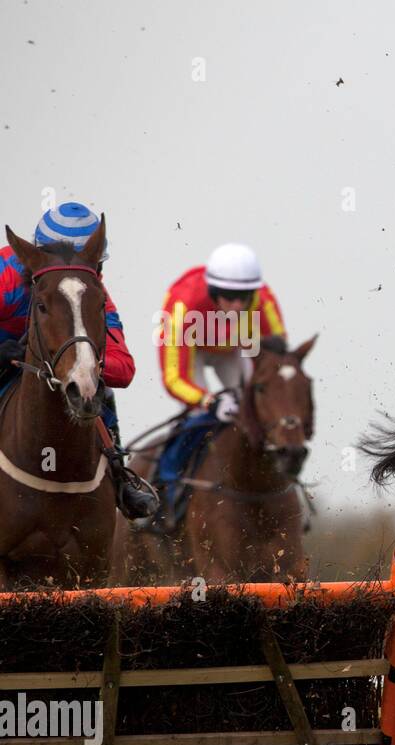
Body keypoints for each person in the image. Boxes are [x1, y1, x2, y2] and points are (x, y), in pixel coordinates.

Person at [0, 202, 158, 519]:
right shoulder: (5, 274)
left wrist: (85, 363)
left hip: (58, 371)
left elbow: (123, 369)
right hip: (9, 363)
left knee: (100, 390)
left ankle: (119, 474)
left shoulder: (93, 295)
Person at [151, 242, 288, 527]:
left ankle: (282, 484)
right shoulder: (182, 305)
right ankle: (166, 492)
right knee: (198, 417)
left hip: (236, 348)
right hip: (194, 352)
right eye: (228, 296)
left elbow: (279, 362)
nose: (237, 305)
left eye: (244, 297)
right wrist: (208, 401)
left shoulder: (265, 301)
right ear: (213, 291)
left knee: (259, 412)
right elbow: (174, 378)